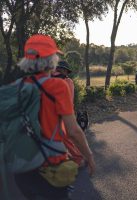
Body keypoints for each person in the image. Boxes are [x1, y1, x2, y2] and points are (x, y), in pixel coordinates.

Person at [14, 34, 95, 199]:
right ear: (51, 59)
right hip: (50, 166)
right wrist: (89, 156)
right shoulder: (58, 86)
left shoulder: (18, 86)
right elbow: (73, 131)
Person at [52, 61, 84, 167]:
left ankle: (76, 158)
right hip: (65, 113)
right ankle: (74, 157)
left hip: (56, 114)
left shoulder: (50, 79)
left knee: (62, 137)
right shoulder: (67, 81)